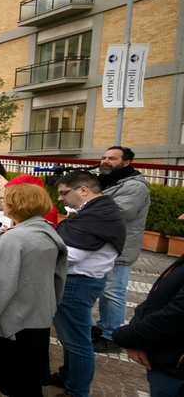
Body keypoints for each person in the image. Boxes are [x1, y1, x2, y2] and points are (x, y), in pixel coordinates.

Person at [0, 184, 67, 397]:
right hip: (38, 316)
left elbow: (1, 285)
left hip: (14, 324)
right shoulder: (48, 232)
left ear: (15, 204)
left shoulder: (14, 239)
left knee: (18, 384)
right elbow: (59, 277)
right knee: (29, 381)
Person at [46, 171, 125, 397]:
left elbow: (70, 255)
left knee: (77, 341)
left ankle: (76, 391)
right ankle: (68, 376)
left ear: (83, 190)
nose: (60, 198)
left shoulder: (98, 215)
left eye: (63, 193)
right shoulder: (99, 210)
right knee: (71, 336)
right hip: (81, 281)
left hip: (78, 282)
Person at [94, 146, 151, 354]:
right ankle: (103, 326)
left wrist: (87, 204)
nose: (105, 161)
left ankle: (113, 336)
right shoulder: (112, 181)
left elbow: (118, 212)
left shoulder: (135, 186)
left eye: (112, 158)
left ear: (126, 162)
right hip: (107, 245)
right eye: (104, 157)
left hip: (120, 247)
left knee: (114, 292)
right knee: (105, 290)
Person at [112, 236, 184, 396]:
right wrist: (135, 327)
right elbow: (157, 298)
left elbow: (175, 318)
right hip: (166, 364)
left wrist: (125, 336)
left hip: (175, 370)